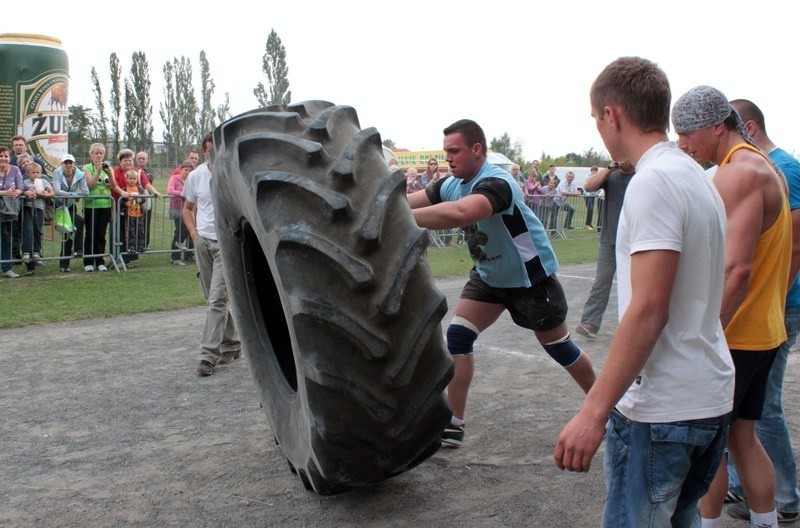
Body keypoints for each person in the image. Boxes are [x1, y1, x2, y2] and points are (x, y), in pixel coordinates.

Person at [554, 57, 734, 527]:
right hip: (707, 396)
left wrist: (594, 411)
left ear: (612, 115)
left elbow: (649, 307)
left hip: (663, 408)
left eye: (596, 118)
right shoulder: (697, 176)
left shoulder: (653, 182)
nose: (599, 128)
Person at [408, 119, 596, 447]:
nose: (448, 157)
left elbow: (462, 214)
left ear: (477, 149)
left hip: (530, 281)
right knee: (458, 338)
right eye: (446, 151)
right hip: (489, 279)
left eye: (454, 150)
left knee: (561, 350)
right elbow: (412, 200)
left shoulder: (498, 183)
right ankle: (454, 422)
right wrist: (381, 199)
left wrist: (400, 217)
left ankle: (607, 406)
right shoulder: (451, 184)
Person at [672, 85, 791, 528]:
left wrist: (705, 334)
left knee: (711, 447)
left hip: (735, 334)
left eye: (687, 134)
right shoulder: (763, 166)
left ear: (718, 126)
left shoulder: (737, 171)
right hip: (762, 330)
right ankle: (766, 522)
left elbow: (736, 269)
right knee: (743, 439)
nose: (683, 144)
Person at [722, 98, 800, 524]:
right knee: (745, 424)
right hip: (767, 310)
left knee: (756, 412)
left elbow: (794, 245)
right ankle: (759, 499)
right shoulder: (767, 167)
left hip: (765, 312)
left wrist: (773, 300)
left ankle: (786, 498)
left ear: (743, 125)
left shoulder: (770, 168)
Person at [182, 132, 241, 376]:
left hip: (226, 245)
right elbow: (187, 208)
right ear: (205, 152)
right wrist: (195, 236)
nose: (214, 154)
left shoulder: (232, 175)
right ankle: (233, 343)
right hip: (203, 242)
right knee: (211, 297)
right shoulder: (196, 176)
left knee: (217, 298)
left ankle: (208, 355)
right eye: (209, 150)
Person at [575, 161, 635, 339]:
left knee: (635, 285)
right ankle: (590, 322)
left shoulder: (642, 174)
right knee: (601, 282)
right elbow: (588, 186)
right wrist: (610, 168)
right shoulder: (611, 175)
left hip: (635, 241)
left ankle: (632, 327)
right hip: (609, 239)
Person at [113, 149, 160, 263]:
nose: (128, 163)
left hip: (135, 208)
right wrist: (122, 196)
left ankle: (130, 258)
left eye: (130, 160)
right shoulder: (116, 172)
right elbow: (113, 185)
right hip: (119, 205)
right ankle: (118, 257)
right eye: (125, 160)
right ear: (120, 162)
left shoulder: (138, 171)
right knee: (120, 233)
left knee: (134, 231)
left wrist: (154, 192)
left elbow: (146, 183)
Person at [82, 143, 120, 272]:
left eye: (101, 153)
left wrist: (108, 173)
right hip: (91, 206)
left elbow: (114, 185)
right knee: (90, 234)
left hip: (106, 205)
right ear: (91, 155)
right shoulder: (87, 167)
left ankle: (100, 261)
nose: (98, 156)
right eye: (96, 153)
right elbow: (90, 185)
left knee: (101, 234)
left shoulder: (109, 168)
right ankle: (88, 261)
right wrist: (98, 172)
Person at [53, 154, 89, 273]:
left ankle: (75, 253)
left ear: (74, 163)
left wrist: (72, 195)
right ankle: (66, 262)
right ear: (62, 164)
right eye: (66, 163)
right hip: (59, 206)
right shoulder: (57, 172)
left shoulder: (80, 174)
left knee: (73, 227)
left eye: (70, 163)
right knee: (67, 232)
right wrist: (73, 194)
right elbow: (56, 190)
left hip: (70, 205)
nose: (68, 165)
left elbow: (85, 191)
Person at [20, 162, 54, 276]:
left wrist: (43, 193)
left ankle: (36, 251)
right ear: (28, 174)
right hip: (28, 208)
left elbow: (51, 192)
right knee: (28, 230)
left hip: (39, 208)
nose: (35, 175)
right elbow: (21, 191)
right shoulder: (25, 182)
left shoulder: (43, 181)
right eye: (33, 173)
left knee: (37, 230)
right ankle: (26, 252)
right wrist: (27, 193)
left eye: (37, 172)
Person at [0, 145, 23, 278]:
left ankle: (7, 268)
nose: (3, 158)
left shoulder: (15, 169)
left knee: (7, 238)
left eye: (6, 156)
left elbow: (20, 187)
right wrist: (5, 192)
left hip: (9, 212)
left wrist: (16, 192)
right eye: (1, 156)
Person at [168, 161, 193, 265]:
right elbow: (170, 190)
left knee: (187, 229)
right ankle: (175, 257)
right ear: (181, 169)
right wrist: (184, 194)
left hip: (188, 209)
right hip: (176, 209)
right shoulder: (174, 178)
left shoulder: (190, 180)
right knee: (178, 231)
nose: (187, 172)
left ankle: (185, 252)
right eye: (185, 170)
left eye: (189, 170)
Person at [122, 169, 147, 261]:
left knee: (140, 231)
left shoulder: (139, 189)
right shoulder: (125, 189)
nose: (132, 180)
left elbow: (145, 198)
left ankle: (141, 245)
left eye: (134, 179)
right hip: (130, 214)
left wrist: (142, 200)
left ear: (137, 180)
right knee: (131, 231)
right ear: (127, 179)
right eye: (130, 178)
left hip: (139, 214)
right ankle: (131, 247)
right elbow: (121, 199)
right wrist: (125, 203)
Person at [136, 151, 155, 250]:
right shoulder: (132, 169)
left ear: (146, 160)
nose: (141, 160)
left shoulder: (150, 171)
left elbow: (148, 181)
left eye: (143, 158)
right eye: (139, 158)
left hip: (147, 199)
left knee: (146, 222)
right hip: (135, 200)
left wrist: (139, 174)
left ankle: (144, 244)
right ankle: (136, 243)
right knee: (136, 223)